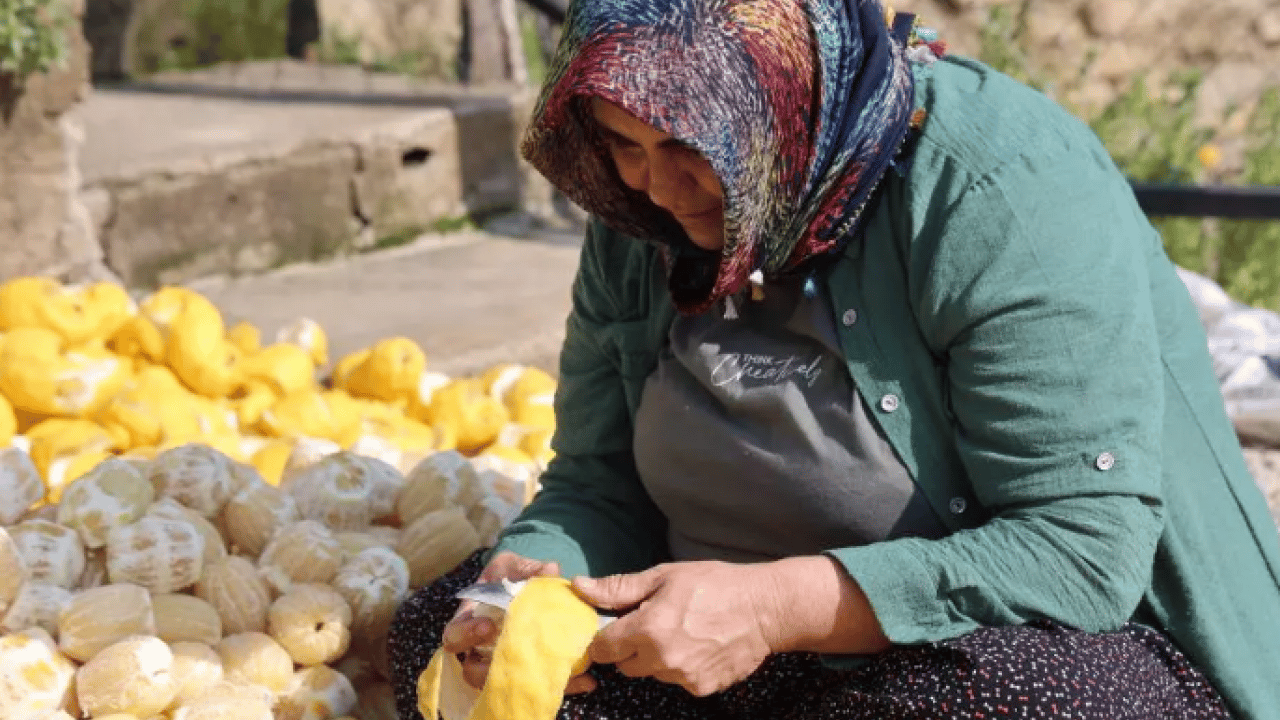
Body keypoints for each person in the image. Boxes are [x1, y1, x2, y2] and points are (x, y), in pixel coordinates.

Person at [388, 0, 1280, 717]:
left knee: (1000, 700)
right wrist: (529, 581)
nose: (654, 188)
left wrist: (774, 609)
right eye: (624, 147)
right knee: (443, 634)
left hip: (982, 646)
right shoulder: (642, 220)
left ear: (786, 100)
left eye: (687, 149)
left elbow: (1078, 552)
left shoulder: (998, 189)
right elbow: (597, 481)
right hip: (733, 651)